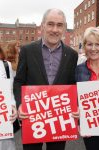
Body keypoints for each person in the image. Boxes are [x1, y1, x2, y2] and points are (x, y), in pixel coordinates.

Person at [13, 8, 78, 150]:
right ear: (42, 26)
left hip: (59, 121)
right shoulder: (27, 50)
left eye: (59, 25)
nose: (55, 29)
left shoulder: (72, 55)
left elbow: (72, 83)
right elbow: (19, 81)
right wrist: (20, 104)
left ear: (65, 28)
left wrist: (76, 105)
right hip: (33, 119)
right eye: (50, 24)